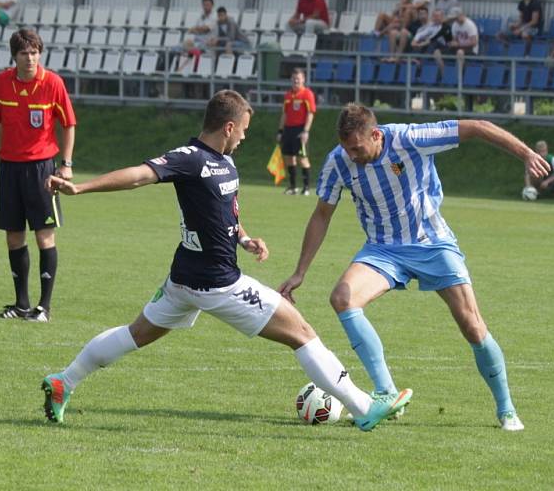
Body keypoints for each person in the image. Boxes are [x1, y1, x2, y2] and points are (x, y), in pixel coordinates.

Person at [40, 91, 412, 431]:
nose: (245, 137)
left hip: (182, 281)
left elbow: (224, 215)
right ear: (229, 126)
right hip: (218, 283)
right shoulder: (189, 160)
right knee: (302, 333)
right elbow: (139, 176)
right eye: (244, 130)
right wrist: (81, 187)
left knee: (137, 334)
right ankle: (364, 408)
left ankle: (63, 381)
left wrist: (245, 238)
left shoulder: (226, 164)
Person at [279, 104, 550, 431]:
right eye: (347, 148)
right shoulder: (339, 161)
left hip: (432, 243)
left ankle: (506, 409)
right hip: (382, 249)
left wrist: (525, 154)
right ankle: (386, 392)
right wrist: (300, 271)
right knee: (342, 298)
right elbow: (322, 214)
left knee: (473, 326)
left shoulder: (410, 138)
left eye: (357, 148)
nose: (351, 155)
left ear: (376, 135)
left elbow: (477, 126)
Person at [0, 29, 76, 323]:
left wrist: (66, 164)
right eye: (24, 53)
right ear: (14, 56)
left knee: (44, 235)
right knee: (13, 237)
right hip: (9, 168)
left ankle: (43, 308)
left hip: (42, 169)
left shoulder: (53, 83)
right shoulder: (1, 83)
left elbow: (69, 124)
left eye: (34, 53)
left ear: (40, 54)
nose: (30, 58)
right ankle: (21, 305)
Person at [277, 68, 316, 195]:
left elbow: (310, 114)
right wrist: (280, 131)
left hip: (300, 129)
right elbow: (284, 114)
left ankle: (306, 188)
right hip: (288, 130)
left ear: (303, 79)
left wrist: (306, 131)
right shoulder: (288, 95)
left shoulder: (307, 94)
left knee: (302, 158)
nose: (295, 81)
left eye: (298, 78)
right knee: (289, 158)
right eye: (293, 78)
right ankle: (293, 187)